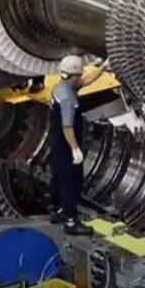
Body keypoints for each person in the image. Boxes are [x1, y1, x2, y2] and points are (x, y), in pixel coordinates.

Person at [49, 54, 107, 236]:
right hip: (66, 144)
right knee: (72, 182)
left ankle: (58, 211)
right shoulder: (67, 98)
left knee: (58, 178)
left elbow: (87, 80)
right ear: (73, 77)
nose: (81, 78)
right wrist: (75, 149)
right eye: (79, 75)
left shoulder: (61, 87)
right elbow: (67, 127)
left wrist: (104, 67)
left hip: (57, 143)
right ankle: (71, 221)